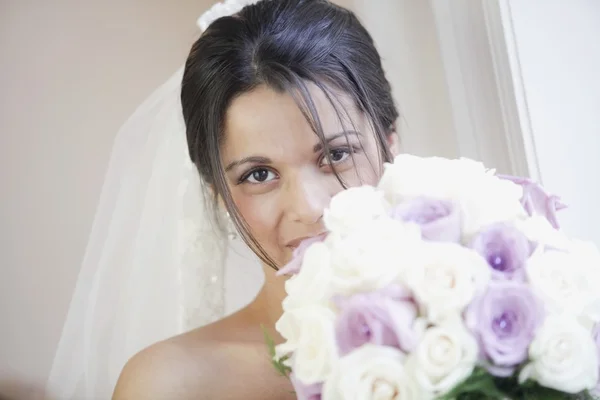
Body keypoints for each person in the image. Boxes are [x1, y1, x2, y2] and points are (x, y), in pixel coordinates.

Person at [48, 0, 400, 399]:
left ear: (390, 144)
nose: (309, 207)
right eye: (259, 174)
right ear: (218, 194)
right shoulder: (170, 385)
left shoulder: (472, 323)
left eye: (336, 155)